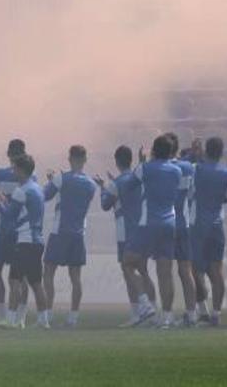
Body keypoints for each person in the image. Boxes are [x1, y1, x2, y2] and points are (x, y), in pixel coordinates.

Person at [124, 135, 182, 329]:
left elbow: (129, 184)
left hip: (148, 223)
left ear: (154, 150)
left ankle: (145, 304)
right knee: (165, 272)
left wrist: (142, 162)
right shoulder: (176, 170)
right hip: (169, 222)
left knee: (128, 263)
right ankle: (167, 317)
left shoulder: (145, 168)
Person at [95, 145, 157, 328]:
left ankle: (141, 309)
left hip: (126, 231)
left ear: (116, 161)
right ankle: (150, 313)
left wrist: (102, 188)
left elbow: (106, 204)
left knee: (127, 268)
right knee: (143, 270)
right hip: (144, 227)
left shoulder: (117, 183)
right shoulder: (137, 178)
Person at [0, 154, 51, 329]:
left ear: (22, 170)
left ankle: (11, 319)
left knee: (14, 280)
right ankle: (43, 320)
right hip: (37, 240)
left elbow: (8, 216)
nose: (13, 171)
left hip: (25, 240)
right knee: (36, 282)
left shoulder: (21, 191)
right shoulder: (38, 188)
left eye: (15, 168)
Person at [42, 145, 97, 327]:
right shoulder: (91, 184)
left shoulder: (61, 178)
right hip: (78, 233)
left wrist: (52, 182)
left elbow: (45, 195)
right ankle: (72, 318)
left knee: (48, 271)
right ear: (85, 160)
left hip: (60, 231)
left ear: (70, 159)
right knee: (76, 278)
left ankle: (48, 315)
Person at [0, 139, 30, 328]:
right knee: (21, 276)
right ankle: (21, 318)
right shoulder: (30, 177)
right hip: (21, 231)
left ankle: (2, 315)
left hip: (1, 229)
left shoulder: (0, 175)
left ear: (8, 155)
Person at [190, 137, 227, 326]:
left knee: (195, 269)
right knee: (216, 271)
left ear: (206, 150)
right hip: (217, 225)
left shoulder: (197, 169)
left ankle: (203, 309)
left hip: (198, 224)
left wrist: (194, 154)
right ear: (222, 152)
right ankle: (216, 313)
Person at [164, 133, 198, 327]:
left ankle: (167, 315)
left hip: (166, 223)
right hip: (184, 223)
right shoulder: (186, 168)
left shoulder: (160, 168)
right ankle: (192, 314)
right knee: (186, 271)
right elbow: (192, 194)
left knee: (165, 270)